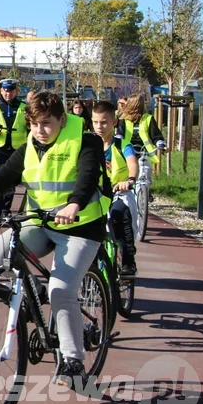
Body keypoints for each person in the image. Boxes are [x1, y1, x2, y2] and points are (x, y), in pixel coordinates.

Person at [0, 91, 111, 388]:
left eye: (47, 124)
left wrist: (75, 203)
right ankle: (34, 296)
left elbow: (87, 176)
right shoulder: (29, 146)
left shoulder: (85, 141)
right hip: (41, 223)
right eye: (35, 124)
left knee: (62, 289)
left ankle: (73, 362)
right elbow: (3, 177)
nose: (40, 130)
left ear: (63, 120)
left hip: (80, 226)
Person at [91, 101, 138, 275]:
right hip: (96, 195)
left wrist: (130, 179)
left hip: (119, 193)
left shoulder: (122, 144)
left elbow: (132, 163)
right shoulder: (87, 144)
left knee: (120, 215)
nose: (99, 126)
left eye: (104, 122)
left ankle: (128, 260)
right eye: (95, 122)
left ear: (114, 122)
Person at [0, 78, 28, 216]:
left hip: (16, 148)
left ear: (16, 91)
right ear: (1, 91)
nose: (8, 94)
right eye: (5, 91)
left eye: (11, 91)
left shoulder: (23, 107)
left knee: (11, 181)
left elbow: (29, 127)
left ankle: (6, 209)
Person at [117, 94, 167, 165]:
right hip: (128, 152)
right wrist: (117, 141)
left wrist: (160, 143)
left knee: (144, 172)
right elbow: (120, 133)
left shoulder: (148, 118)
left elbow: (155, 135)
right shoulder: (124, 119)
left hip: (144, 153)